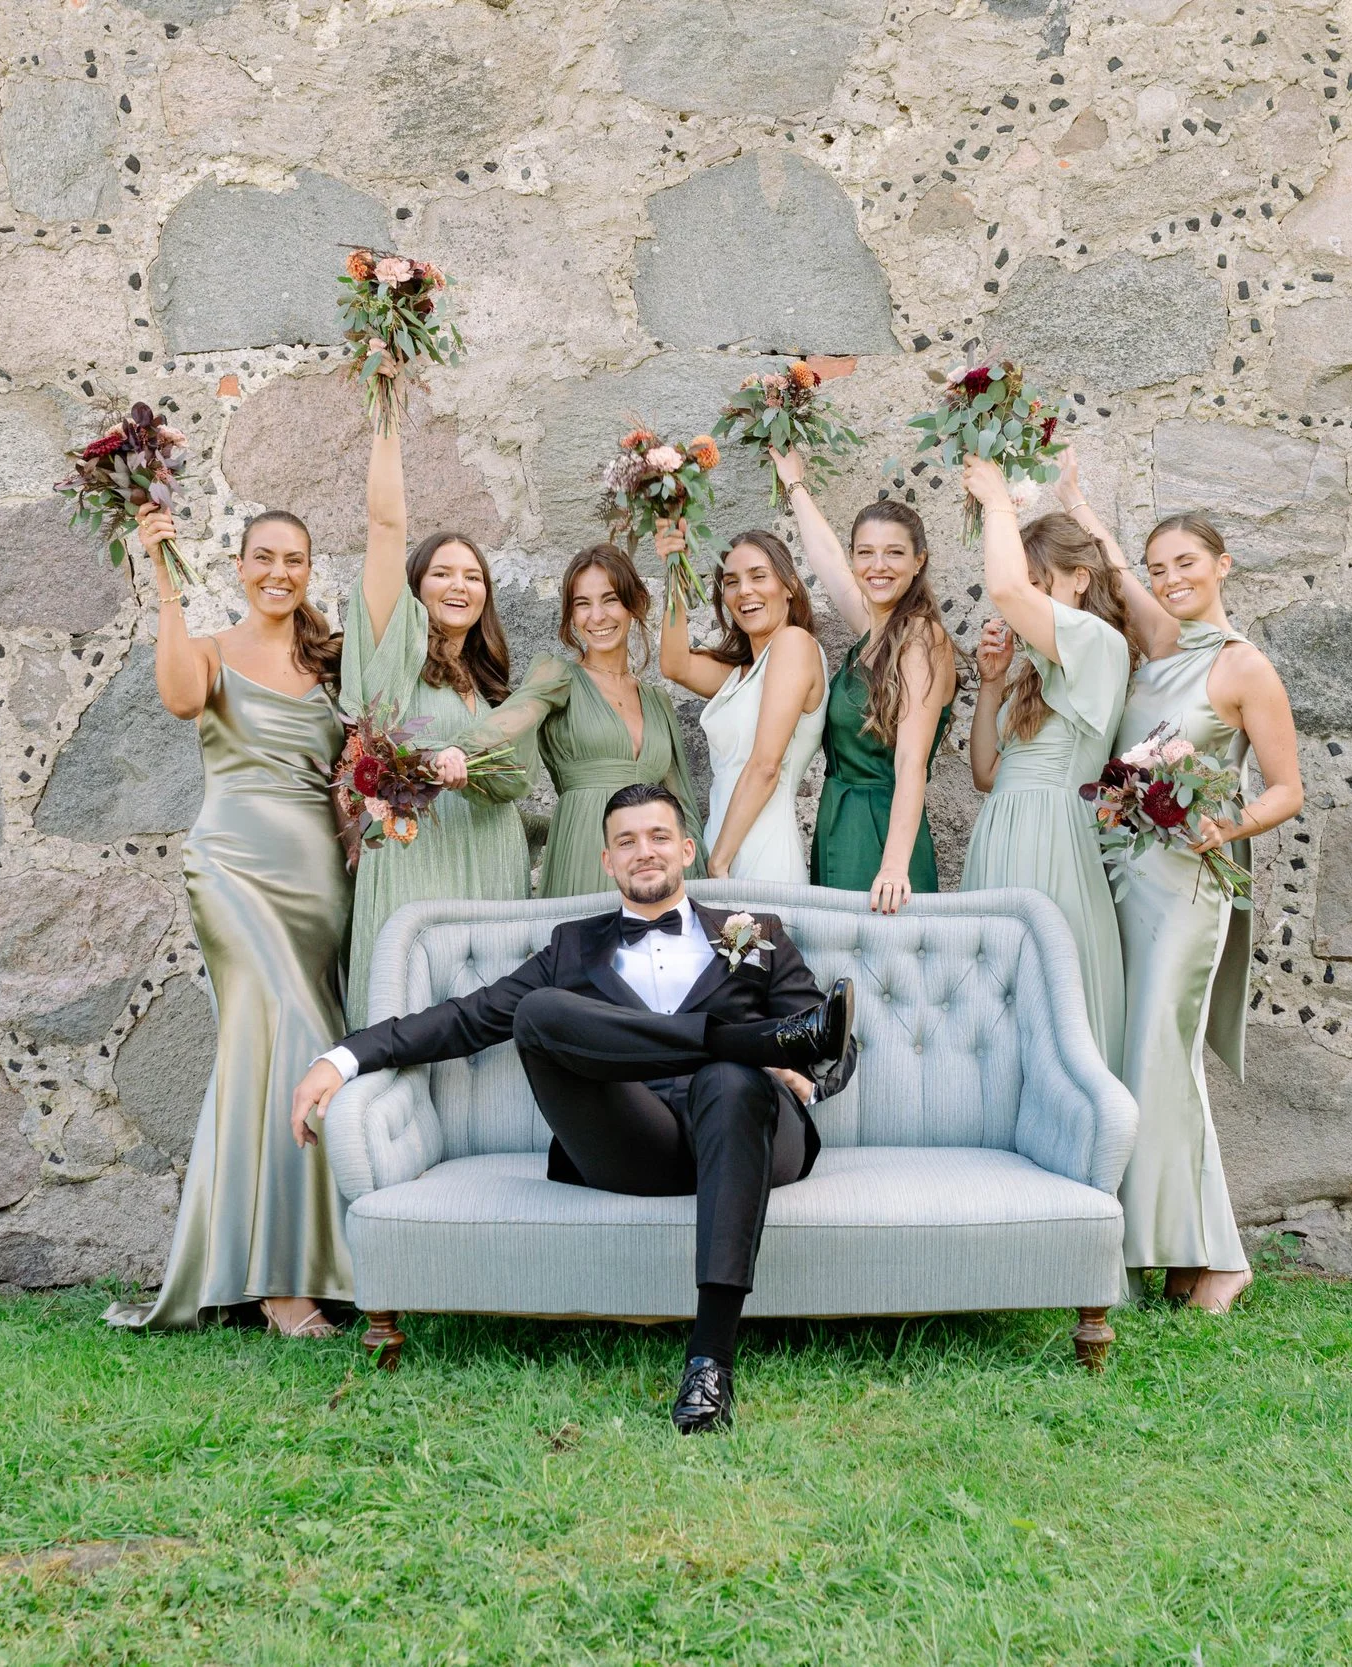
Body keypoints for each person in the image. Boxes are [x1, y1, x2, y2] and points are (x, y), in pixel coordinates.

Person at [290, 783, 856, 1434]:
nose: (644, 851)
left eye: (659, 836)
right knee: (537, 1012)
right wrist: (345, 1057)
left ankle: (710, 1362)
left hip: (746, 1135)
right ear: (607, 861)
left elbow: (828, 1038)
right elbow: (468, 1018)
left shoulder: (757, 934)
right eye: (626, 841)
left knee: (730, 1079)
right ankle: (738, 1043)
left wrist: (810, 1082)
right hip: (637, 1144)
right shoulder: (572, 948)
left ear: (686, 849)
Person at [104, 502, 354, 1339]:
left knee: (303, 1047)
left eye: (295, 560)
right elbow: (180, 697)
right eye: (264, 558)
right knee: (279, 1034)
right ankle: (280, 1283)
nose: (280, 573)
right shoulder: (210, 649)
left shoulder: (331, 662)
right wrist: (164, 577)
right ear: (241, 566)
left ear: (309, 571)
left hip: (317, 880)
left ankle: (312, 1258)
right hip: (233, 870)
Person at [1085, 484, 1303, 1317]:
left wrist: (1225, 825)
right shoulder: (1160, 647)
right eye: (1158, 568)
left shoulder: (1243, 666)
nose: (1170, 579)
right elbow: (1114, 570)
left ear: (1223, 565)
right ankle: (1176, 1253)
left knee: (1163, 1056)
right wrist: (1076, 499)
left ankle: (1223, 1258)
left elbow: (1286, 789)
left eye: (1186, 563)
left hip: (1189, 888)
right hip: (1128, 878)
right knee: (1135, 1058)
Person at [339, 412, 533, 1027]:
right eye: (442, 572)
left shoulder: (487, 686)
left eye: (473, 576)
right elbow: (385, 525)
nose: (459, 585)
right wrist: (386, 403)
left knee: (486, 1036)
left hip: (491, 868)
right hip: (419, 869)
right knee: (410, 1021)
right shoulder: (394, 663)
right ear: (415, 586)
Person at [956, 454, 1135, 1071]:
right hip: (1002, 833)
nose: (1025, 599)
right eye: (1028, 585)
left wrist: (997, 503)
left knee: (1049, 1007)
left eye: (1040, 584)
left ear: (1079, 579)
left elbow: (1004, 589)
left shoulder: (1100, 645)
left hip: (1053, 838)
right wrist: (992, 684)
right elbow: (986, 775)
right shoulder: (1037, 668)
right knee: (995, 1018)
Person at [459, 544, 707, 897]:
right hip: (585, 850)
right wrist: (462, 751)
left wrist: (698, 876)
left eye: (610, 599)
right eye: (582, 604)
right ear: (571, 615)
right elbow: (517, 714)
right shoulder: (558, 676)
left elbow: (679, 801)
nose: (597, 616)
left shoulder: (657, 701)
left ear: (634, 603)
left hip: (652, 868)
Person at [775, 451, 958, 913]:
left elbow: (911, 762)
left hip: (882, 834)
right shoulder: (872, 631)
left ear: (918, 561)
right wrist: (794, 483)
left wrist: (893, 866)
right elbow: (827, 560)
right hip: (838, 824)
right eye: (865, 553)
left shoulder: (921, 638)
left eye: (894, 553)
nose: (878, 566)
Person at [656, 526, 827, 885]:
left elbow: (766, 766)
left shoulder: (794, 644)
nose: (744, 590)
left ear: (790, 585)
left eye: (758, 576)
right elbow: (675, 665)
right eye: (731, 582)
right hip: (721, 850)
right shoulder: (740, 674)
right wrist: (675, 566)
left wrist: (719, 861)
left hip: (761, 856)